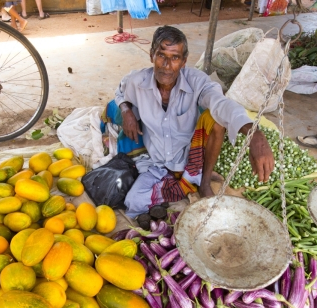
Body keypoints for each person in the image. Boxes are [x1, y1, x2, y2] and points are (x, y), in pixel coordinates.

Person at [115, 25, 274, 218]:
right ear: (151, 56)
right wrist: (126, 111)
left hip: (190, 158)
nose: (167, 65)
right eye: (161, 55)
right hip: (157, 164)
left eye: (175, 58)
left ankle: (204, 181)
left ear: (183, 61)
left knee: (216, 119)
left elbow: (221, 104)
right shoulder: (137, 82)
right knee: (133, 201)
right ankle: (183, 185)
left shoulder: (197, 81)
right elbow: (120, 91)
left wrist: (254, 134)